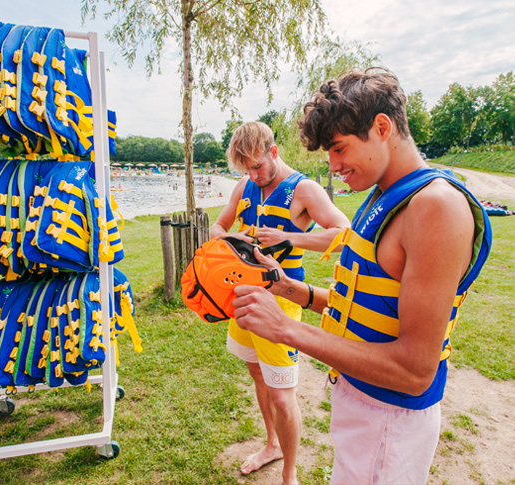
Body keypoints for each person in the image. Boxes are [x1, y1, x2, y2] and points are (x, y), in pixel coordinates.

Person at [231, 69, 492, 485]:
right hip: (363, 406)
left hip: (391, 419)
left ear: (382, 127)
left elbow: (414, 370)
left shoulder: (435, 206)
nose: (333, 167)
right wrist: (289, 288)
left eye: (338, 149)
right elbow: (364, 305)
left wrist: (287, 330)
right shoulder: (386, 194)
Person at [210, 121, 350, 485]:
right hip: (243, 298)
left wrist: (289, 237)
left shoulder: (303, 188)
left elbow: (342, 232)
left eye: (257, 166)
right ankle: (272, 444)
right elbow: (216, 228)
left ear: (273, 152)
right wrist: (231, 238)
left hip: (282, 302)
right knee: (257, 373)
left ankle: (290, 474)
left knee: (284, 397)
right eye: (245, 169)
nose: (252, 175)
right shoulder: (245, 184)